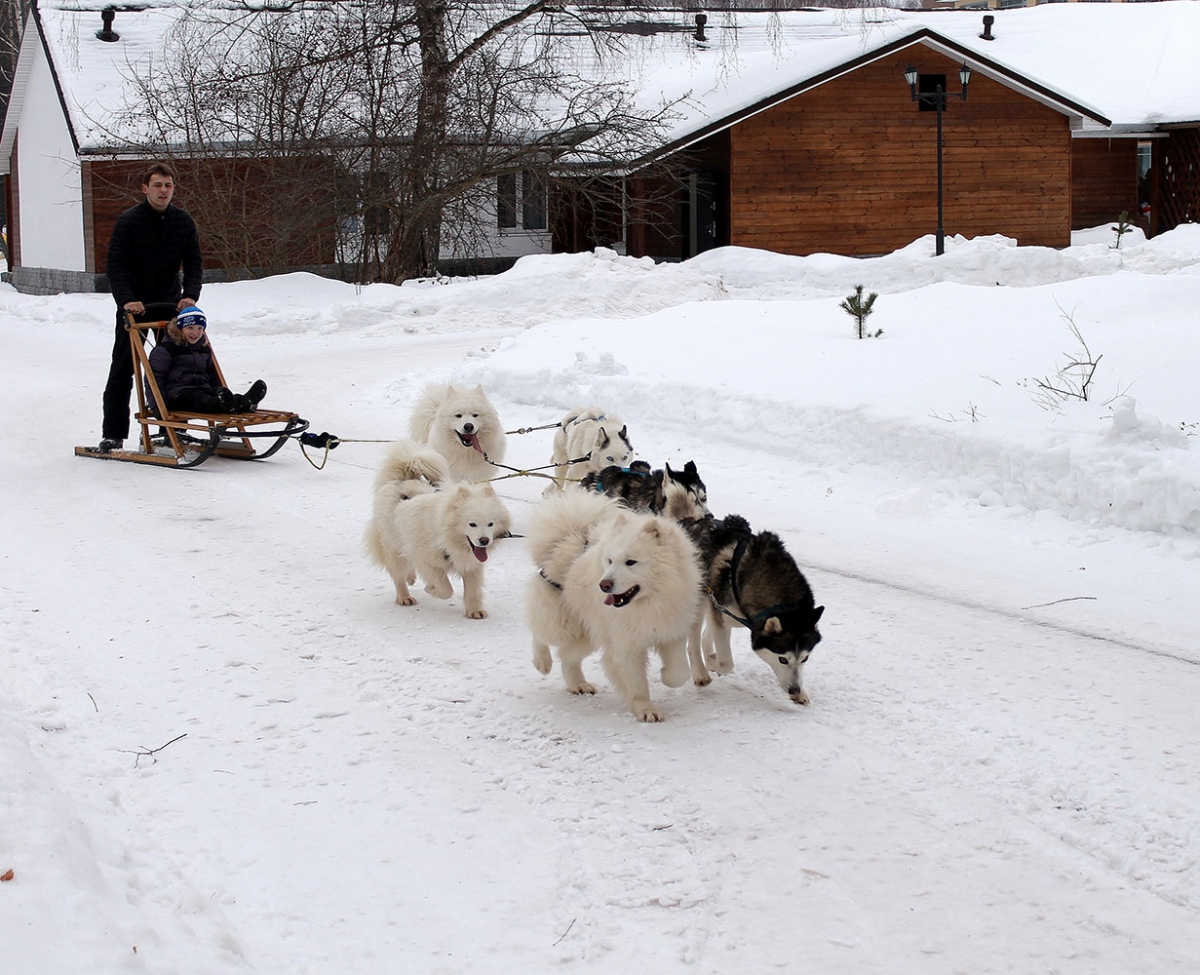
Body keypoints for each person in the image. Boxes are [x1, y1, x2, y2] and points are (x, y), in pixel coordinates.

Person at [97, 162, 203, 452]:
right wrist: (126, 300)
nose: (163, 191)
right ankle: (113, 433)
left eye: (168, 185)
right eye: (157, 185)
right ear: (145, 189)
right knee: (123, 368)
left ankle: (172, 429)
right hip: (136, 307)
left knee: (177, 367)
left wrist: (190, 296)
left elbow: (194, 263)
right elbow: (115, 266)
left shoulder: (182, 221)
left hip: (170, 305)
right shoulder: (129, 221)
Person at [147, 306, 267, 415]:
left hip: (202, 389)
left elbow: (212, 374)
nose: (195, 333)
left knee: (213, 394)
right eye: (190, 328)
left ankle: (244, 402)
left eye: (200, 328)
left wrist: (221, 391)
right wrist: (157, 405)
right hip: (177, 394)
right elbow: (154, 379)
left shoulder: (203, 349)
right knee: (200, 399)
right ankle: (225, 404)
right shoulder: (165, 350)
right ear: (180, 328)